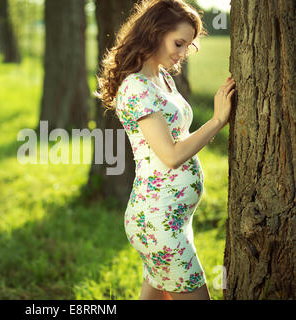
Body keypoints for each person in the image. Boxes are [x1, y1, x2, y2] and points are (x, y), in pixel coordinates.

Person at [94, 0, 236, 300]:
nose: (184, 53)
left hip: (172, 220)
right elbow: (170, 156)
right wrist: (218, 120)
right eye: (179, 43)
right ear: (155, 32)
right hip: (157, 222)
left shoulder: (162, 78)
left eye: (188, 46)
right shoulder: (136, 87)